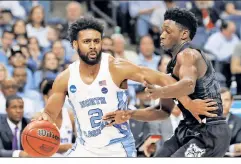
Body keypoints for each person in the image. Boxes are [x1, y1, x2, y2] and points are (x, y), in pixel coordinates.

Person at [36, 17, 217, 157]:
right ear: (75, 44)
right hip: (85, 149)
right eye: (87, 42)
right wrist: (42, 120)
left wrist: (188, 103)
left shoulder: (116, 67)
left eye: (96, 41)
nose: (93, 46)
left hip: (118, 148)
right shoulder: (65, 78)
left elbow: (164, 79)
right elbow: (50, 114)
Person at [103, 8, 231, 157]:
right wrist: (129, 114)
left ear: (184, 34)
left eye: (168, 31)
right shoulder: (171, 66)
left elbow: (188, 85)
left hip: (209, 131)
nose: (162, 35)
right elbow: (163, 112)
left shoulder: (190, 54)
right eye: (162, 31)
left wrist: (160, 91)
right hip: (188, 128)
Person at [33, 79, 75, 157]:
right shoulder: (37, 117)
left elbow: (81, 141)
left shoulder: (70, 115)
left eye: (61, 96)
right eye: (54, 96)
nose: (58, 99)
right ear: (46, 97)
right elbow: (38, 147)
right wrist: (66, 147)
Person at [220, 87, 241, 157]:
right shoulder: (205, 121)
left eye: (226, 100)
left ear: (232, 102)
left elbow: (239, 146)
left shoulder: (239, 122)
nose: (223, 103)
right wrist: (231, 148)